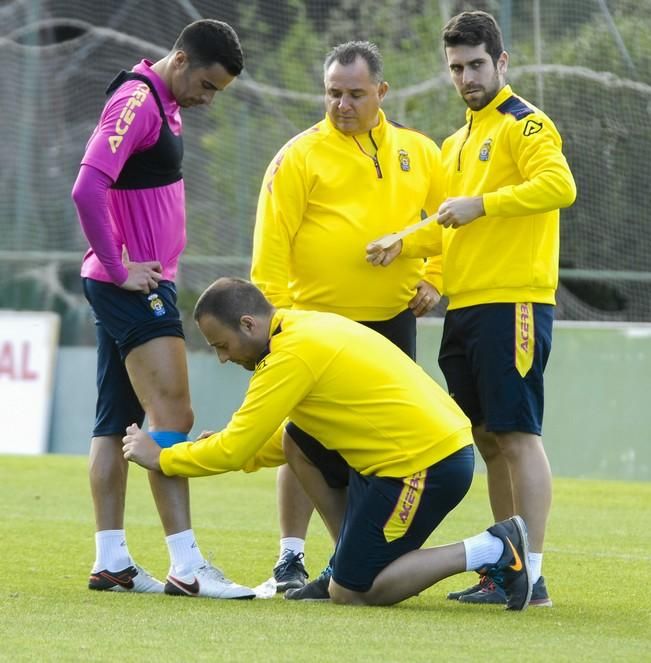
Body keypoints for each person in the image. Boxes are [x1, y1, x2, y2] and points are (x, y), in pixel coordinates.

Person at [121, 277, 534, 611]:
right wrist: (234, 449)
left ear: (248, 324)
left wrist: (163, 457)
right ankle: (344, 564)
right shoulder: (299, 328)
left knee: (355, 591)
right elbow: (271, 442)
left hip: (426, 466)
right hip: (413, 456)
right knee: (297, 439)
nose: (224, 359)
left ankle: (493, 547)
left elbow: (233, 449)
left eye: (222, 346)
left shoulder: (290, 355)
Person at [367, 10, 577, 607]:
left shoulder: (524, 123)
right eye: (456, 68)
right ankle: (506, 566)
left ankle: (531, 574)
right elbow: (449, 226)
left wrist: (481, 204)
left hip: (513, 304)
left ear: (501, 62)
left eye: (477, 65)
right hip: (465, 310)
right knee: (486, 440)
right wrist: (403, 242)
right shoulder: (457, 142)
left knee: (516, 436)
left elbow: (559, 186)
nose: (467, 77)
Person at [251, 40, 446, 593]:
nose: (342, 104)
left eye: (355, 94)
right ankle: (291, 557)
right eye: (333, 93)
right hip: (314, 327)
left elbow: (449, 219)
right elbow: (270, 250)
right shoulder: (298, 156)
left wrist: (435, 276)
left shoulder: (420, 150)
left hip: (390, 324)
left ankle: (353, 558)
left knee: (376, 446)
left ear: (381, 92)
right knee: (303, 439)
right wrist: (272, 330)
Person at [71, 19, 255, 599]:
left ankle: (113, 563)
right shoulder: (138, 100)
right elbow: (87, 186)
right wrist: (120, 265)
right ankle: (187, 566)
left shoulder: (164, 103)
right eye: (206, 84)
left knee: (116, 425)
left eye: (217, 91)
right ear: (179, 59)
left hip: (129, 282)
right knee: (172, 415)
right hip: (134, 285)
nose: (207, 98)